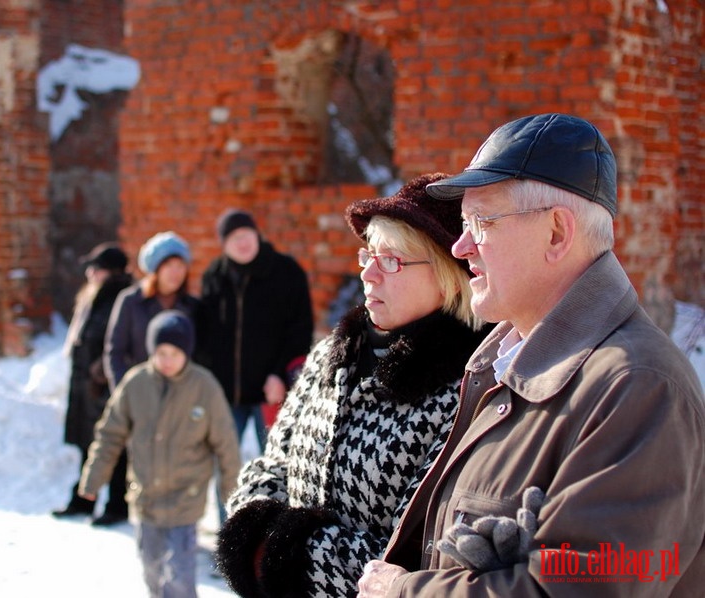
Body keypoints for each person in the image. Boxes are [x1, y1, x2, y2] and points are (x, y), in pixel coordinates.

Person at [357, 113, 705, 597]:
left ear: (558, 233)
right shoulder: (505, 366)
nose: (461, 248)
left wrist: (403, 592)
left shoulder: (637, 386)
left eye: (481, 223)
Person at [214, 173, 489, 598]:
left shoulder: (464, 389)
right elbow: (274, 464)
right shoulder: (332, 355)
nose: (369, 276)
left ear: (447, 276)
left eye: (392, 260)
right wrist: (252, 528)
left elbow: (410, 563)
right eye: (368, 256)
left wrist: (282, 552)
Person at [79, 310, 241, 598]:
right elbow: (110, 433)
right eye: (161, 352)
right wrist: (93, 479)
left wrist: (233, 495)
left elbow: (226, 445)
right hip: (146, 500)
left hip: (185, 499)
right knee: (151, 569)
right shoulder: (135, 384)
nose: (167, 360)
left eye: (175, 353)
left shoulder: (204, 387)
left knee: (179, 574)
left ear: (187, 353)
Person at [97, 230, 202, 527]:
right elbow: (114, 350)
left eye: (181, 266)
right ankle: (116, 505)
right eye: (169, 266)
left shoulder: (191, 307)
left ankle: (174, 515)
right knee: (128, 447)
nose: (176, 273)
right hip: (138, 389)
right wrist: (123, 391)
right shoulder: (131, 302)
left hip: (177, 392)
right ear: (155, 269)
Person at [199, 209, 314, 454]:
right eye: (234, 238)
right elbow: (206, 334)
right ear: (224, 244)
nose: (242, 242)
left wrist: (279, 375)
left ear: (257, 234)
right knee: (224, 466)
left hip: (271, 392)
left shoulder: (286, 271)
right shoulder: (214, 276)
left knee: (275, 464)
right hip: (227, 394)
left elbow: (301, 329)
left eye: (247, 234)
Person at [51, 243, 133, 520]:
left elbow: (118, 343)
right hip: (86, 386)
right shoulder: (93, 298)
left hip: (105, 386)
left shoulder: (119, 299)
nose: (90, 274)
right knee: (90, 446)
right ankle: (84, 499)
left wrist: (102, 373)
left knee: (113, 448)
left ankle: (117, 505)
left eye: (97, 269)